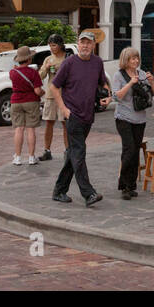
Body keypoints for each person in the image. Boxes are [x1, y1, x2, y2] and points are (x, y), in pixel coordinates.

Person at [48, 30, 111, 206]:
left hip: (88, 115)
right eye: (82, 42)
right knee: (79, 152)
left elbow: (102, 83)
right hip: (73, 115)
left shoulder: (97, 62)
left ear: (93, 45)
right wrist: (63, 109)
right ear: (78, 44)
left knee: (73, 154)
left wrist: (108, 95)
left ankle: (59, 190)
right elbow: (54, 87)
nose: (85, 46)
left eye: (88, 43)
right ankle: (88, 193)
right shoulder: (69, 63)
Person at [112, 46, 154, 199]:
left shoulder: (142, 74)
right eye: (133, 58)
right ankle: (123, 185)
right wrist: (130, 83)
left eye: (137, 58)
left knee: (135, 151)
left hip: (140, 118)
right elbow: (116, 97)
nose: (136, 61)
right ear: (126, 60)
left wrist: (151, 82)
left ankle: (131, 185)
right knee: (129, 149)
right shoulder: (118, 75)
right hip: (123, 117)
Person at [8, 46, 44, 166]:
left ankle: (17, 157)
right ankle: (31, 157)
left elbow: (14, 74)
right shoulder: (33, 73)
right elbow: (38, 91)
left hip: (16, 101)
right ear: (29, 59)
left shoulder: (12, 72)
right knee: (30, 129)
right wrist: (43, 93)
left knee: (19, 129)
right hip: (31, 101)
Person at [37, 33, 68, 161]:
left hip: (64, 95)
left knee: (65, 123)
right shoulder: (48, 59)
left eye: (54, 45)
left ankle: (68, 150)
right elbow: (40, 76)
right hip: (50, 95)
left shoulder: (68, 58)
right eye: (50, 45)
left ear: (60, 45)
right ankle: (47, 150)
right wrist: (46, 67)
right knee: (49, 122)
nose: (52, 48)